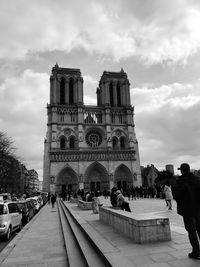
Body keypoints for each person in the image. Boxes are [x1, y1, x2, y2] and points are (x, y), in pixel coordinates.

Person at [173, 163, 200, 260]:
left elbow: (176, 195)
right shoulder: (197, 179)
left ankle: (196, 252)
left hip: (187, 210)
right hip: (197, 209)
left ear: (182, 171)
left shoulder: (180, 181)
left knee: (191, 231)